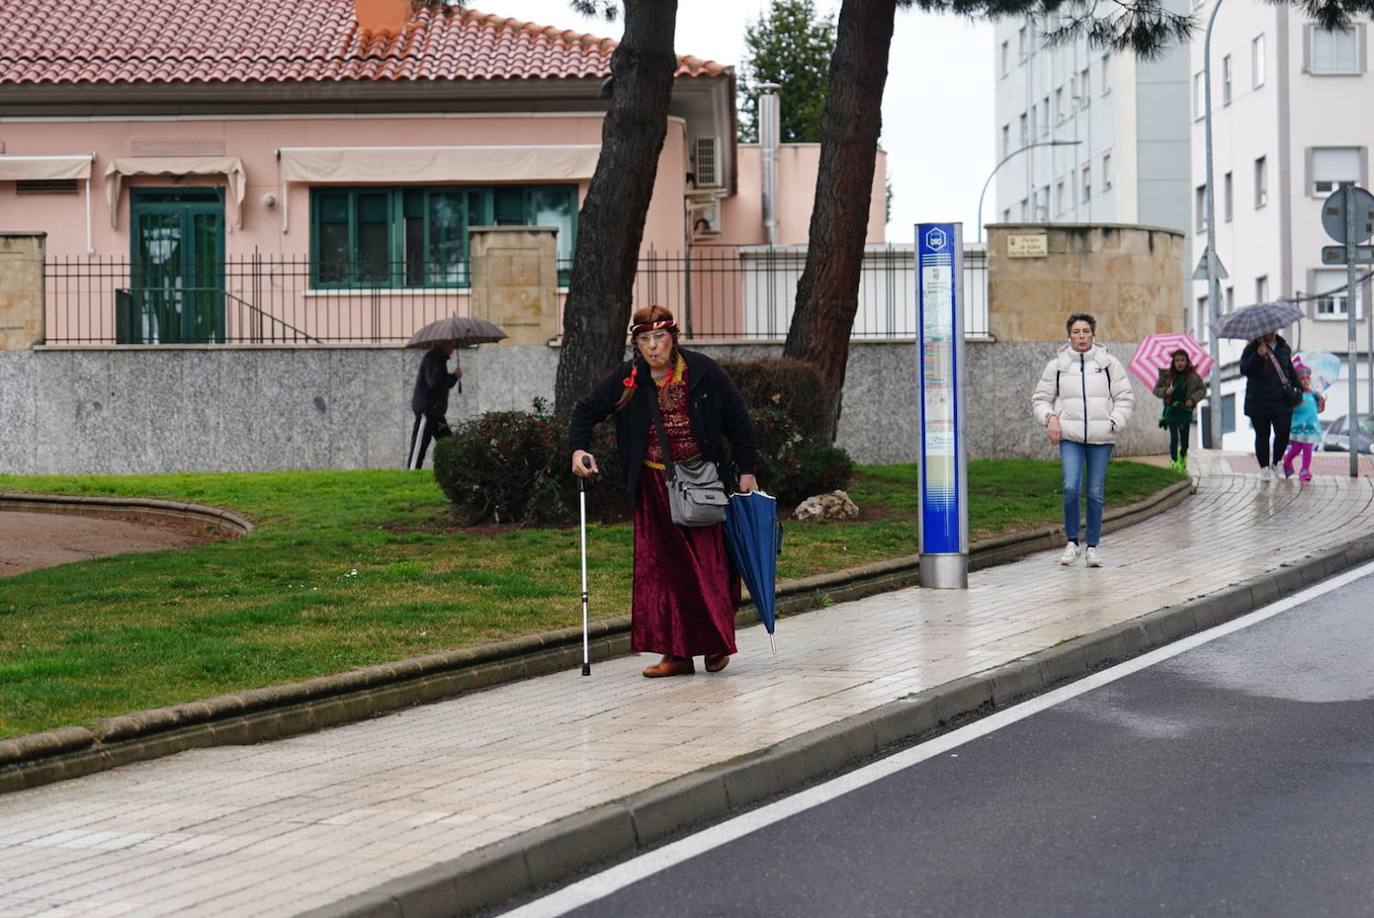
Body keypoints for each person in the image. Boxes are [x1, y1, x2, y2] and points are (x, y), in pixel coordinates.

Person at [569, 305, 759, 678]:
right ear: (635, 343)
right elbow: (585, 411)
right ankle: (677, 655)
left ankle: (716, 644)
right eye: (645, 339)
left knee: (710, 568)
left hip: (701, 483)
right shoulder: (629, 378)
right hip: (653, 486)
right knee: (663, 574)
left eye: (659, 337)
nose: (653, 346)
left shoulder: (704, 373)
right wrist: (578, 449)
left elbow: (738, 421)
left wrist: (747, 470)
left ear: (673, 338)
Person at [1031, 313, 1135, 568]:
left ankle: (1092, 547)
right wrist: (1051, 418)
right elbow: (1040, 399)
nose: (1081, 336)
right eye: (1076, 332)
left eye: (1086, 331)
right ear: (1069, 336)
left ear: (1093, 335)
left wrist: (1114, 422)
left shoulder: (1109, 363)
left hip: (1102, 438)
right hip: (1070, 437)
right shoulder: (1057, 365)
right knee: (1070, 488)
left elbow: (1125, 397)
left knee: (1095, 493)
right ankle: (1072, 542)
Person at [1238, 330, 1301, 480]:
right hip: (1258, 400)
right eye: (1267, 331)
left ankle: (1277, 461)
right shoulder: (1251, 349)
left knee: (1283, 432)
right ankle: (1264, 468)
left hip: (1282, 400)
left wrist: (1299, 390)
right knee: (1262, 435)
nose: (1271, 333)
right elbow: (1245, 370)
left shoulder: (1283, 347)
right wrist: (1258, 356)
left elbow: (1289, 370)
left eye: (1273, 330)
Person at [407, 340, 462, 470]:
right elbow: (435, 383)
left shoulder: (439, 359)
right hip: (427, 410)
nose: (453, 349)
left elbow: (438, 381)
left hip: (435, 412)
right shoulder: (433, 359)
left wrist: (453, 377)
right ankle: (412, 472)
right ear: (442, 345)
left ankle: (453, 470)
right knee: (420, 444)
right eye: (451, 345)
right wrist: (454, 377)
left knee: (447, 442)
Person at [1153, 349, 1208, 473]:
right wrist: (1165, 391)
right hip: (1171, 411)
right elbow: (1156, 390)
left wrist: (1192, 400)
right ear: (1173, 362)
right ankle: (1174, 462)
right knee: (1174, 439)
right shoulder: (1167, 376)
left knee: (1184, 442)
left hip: (1185, 412)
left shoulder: (1193, 376)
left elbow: (1202, 390)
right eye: (1177, 360)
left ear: (1187, 361)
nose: (1180, 363)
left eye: (1182, 360)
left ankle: (1182, 458)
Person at [1280, 359, 1325, 481]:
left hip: (1311, 427)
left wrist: (1321, 401)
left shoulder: (1313, 395)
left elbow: (1318, 410)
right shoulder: (1296, 394)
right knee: (1296, 449)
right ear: (1297, 380)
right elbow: (1290, 409)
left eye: (1307, 378)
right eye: (1302, 378)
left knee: (1307, 448)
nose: (1305, 381)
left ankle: (1305, 470)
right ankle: (1287, 461)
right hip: (1298, 427)